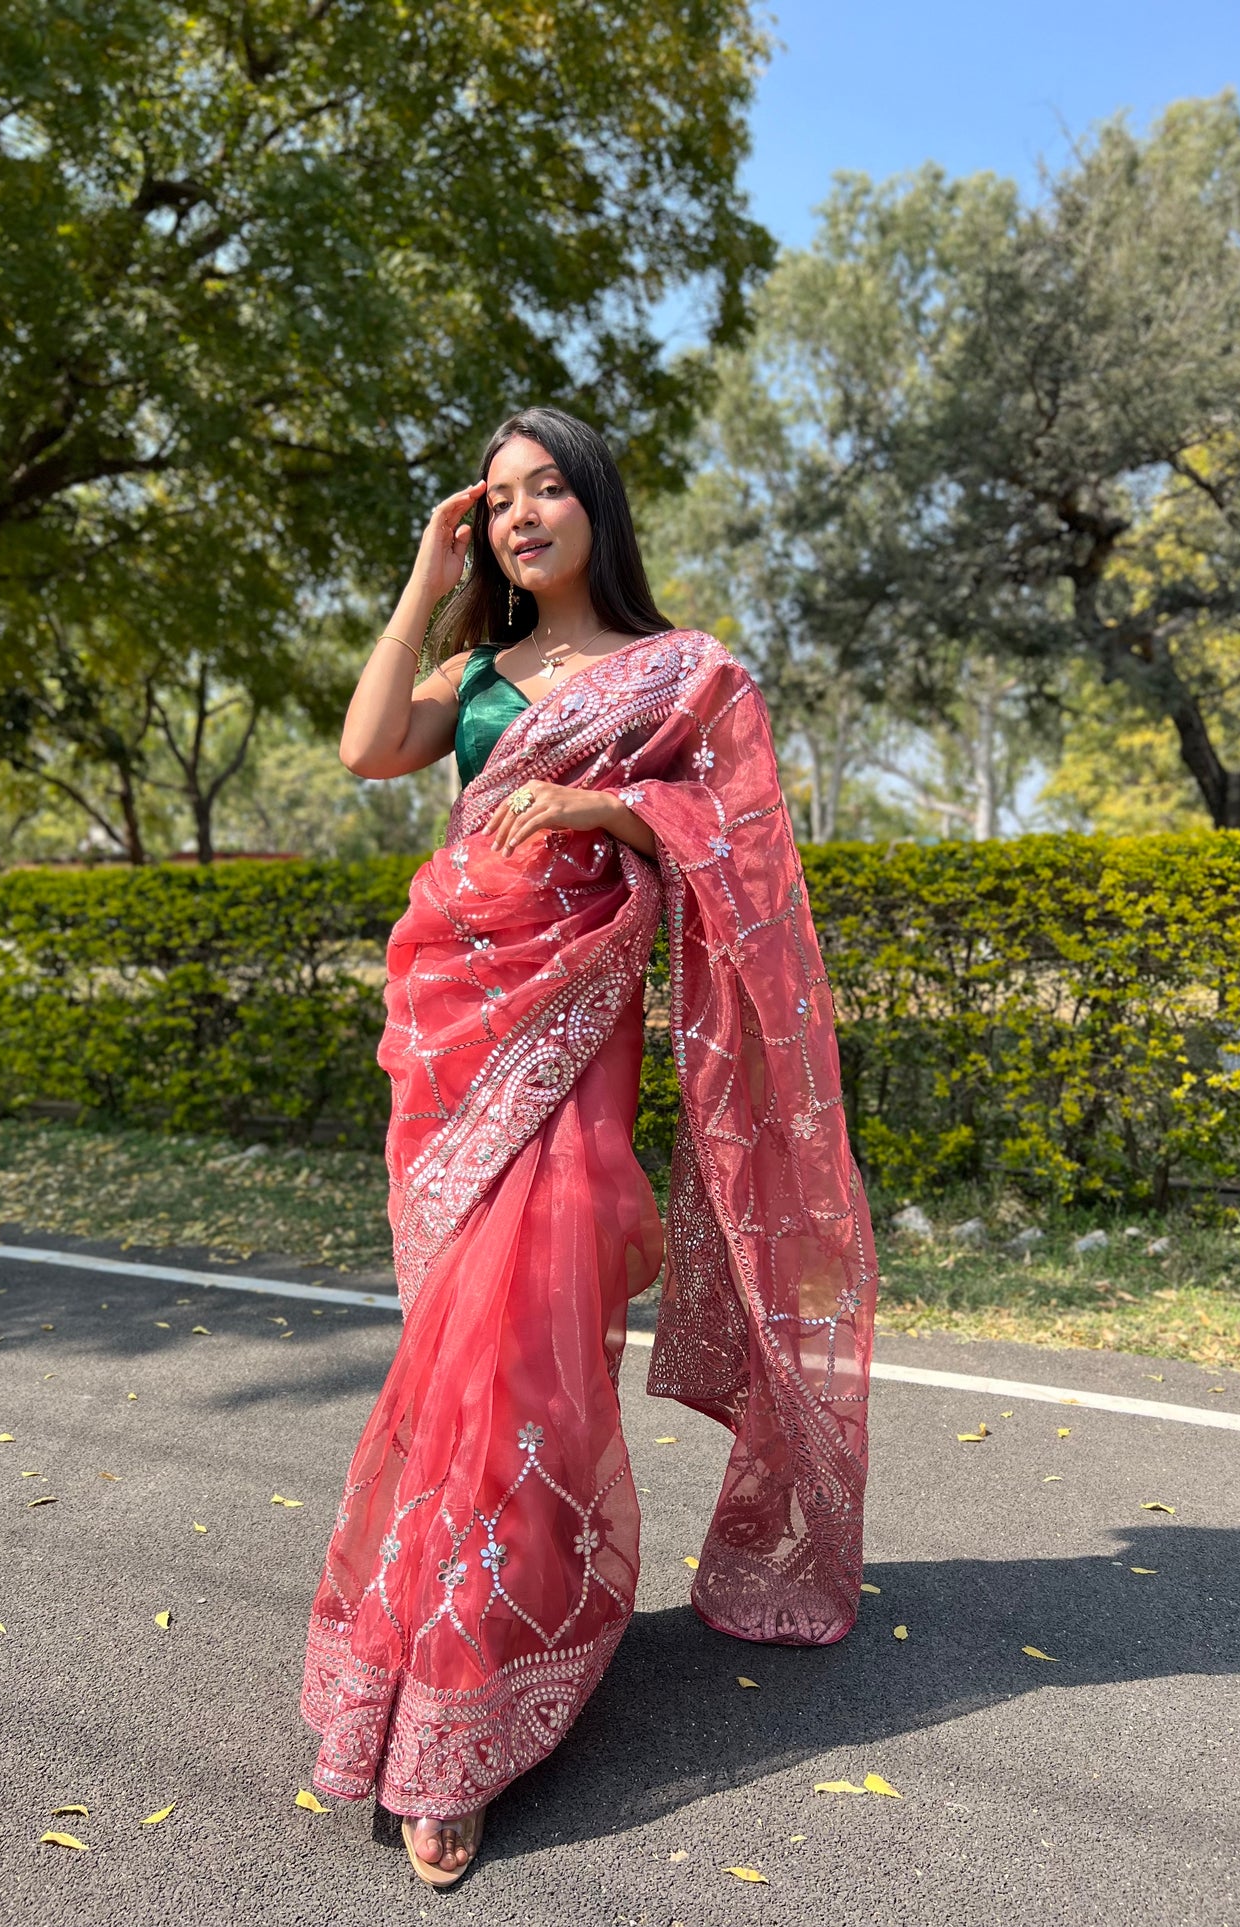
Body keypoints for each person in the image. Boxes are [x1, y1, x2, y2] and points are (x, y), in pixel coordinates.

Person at [300, 407, 878, 1888]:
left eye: (546, 488)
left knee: (521, 1354)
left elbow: (746, 840)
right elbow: (370, 749)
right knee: (451, 1351)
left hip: (572, 1037)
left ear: (598, 508)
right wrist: (424, 585)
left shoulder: (683, 675)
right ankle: (435, 1654)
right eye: (494, 502)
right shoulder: (479, 672)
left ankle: (466, 1708)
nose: (517, 515)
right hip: (452, 1035)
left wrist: (612, 804)